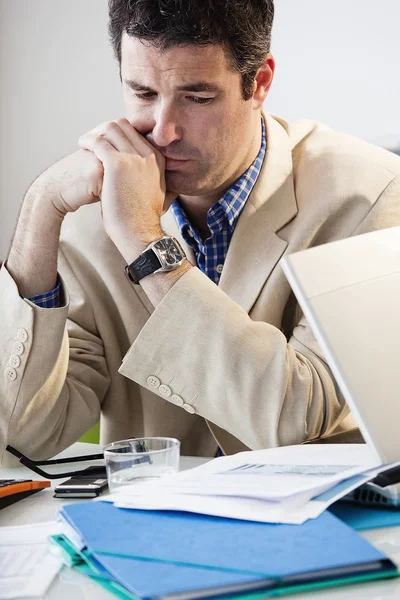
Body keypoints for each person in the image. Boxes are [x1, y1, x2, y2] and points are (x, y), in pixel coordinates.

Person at [1, 0, 399, 467]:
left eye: (197, 97)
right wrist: (41, 206)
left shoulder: (372, 196)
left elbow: (294, 416)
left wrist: (144, 241)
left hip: (323, 523)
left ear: (260, 82)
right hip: (152, 523)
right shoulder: (91, 214)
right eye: (143, 93)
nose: (164, 131)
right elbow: (23, 434)